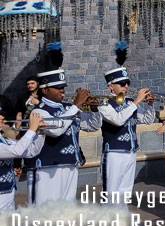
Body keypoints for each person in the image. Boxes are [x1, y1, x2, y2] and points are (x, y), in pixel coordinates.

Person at [28, 64, 100, 204]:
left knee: (66, 211)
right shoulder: (39, 111)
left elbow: (93, 126)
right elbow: (56, 130)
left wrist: (94, 110)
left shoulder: (69, 108)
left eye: (63, 87)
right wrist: (76, 105)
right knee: (44, 212)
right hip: (47, 168)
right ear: (44, 90)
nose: (62, 90)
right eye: (58, 87)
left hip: (70, 164)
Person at [95, 66, 155, 203]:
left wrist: (150, 105)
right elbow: (118, 120)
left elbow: (147, 120)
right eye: (122, 84)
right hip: (114, 152)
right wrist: (136, 102)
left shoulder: (129, 103)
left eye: (127, 83)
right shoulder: (104, 103)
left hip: (131, 151)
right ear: (111, 87)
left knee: (126, 193)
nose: (126, 86)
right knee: (112, 193)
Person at [0, 105, 45, 210]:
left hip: (8, 193)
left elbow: (31, 151)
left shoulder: (5, 140)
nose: (2, 118)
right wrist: (32, 129)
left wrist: (40, 132)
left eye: (2, 116)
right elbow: (17, 151)